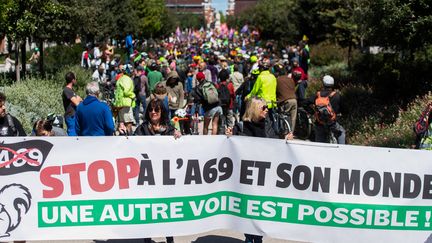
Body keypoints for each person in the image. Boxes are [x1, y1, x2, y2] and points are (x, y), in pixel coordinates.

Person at [308, 75, 345, 144]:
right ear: (332, 84)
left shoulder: (317, 95)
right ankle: (342, 149)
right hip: (332, 123)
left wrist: (312, 111)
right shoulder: (337, 95)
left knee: (320, 142)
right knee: (341, 132)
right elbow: (344, 108)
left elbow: (305, 103)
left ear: (323, 84)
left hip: (319, 123)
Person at [114, 65, 136, 135]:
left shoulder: (121, 78)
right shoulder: (127, 79)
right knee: (128, 124)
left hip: (120, 104)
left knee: (122, 124)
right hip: (126, 104)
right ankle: (129, 141)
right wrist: (133, 95)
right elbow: (126, 92)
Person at [275, 64, 297, 133]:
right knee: (293, 118)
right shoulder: (291, 80)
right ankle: (291, 133)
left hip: (285, 100)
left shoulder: (277, 80)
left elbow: (276, 91)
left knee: (284, 117)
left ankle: (284, 132)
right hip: (294, 99)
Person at [62, 71, 82, 136]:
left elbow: (80, 100)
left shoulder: (71, 91)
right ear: (73, 80)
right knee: (72, 135)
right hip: (71, 116)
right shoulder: (66, 90)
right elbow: (77, 103)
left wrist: (78, 99)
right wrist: (78, 99)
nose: (76, 80)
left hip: (74, 116)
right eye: (75, 79)